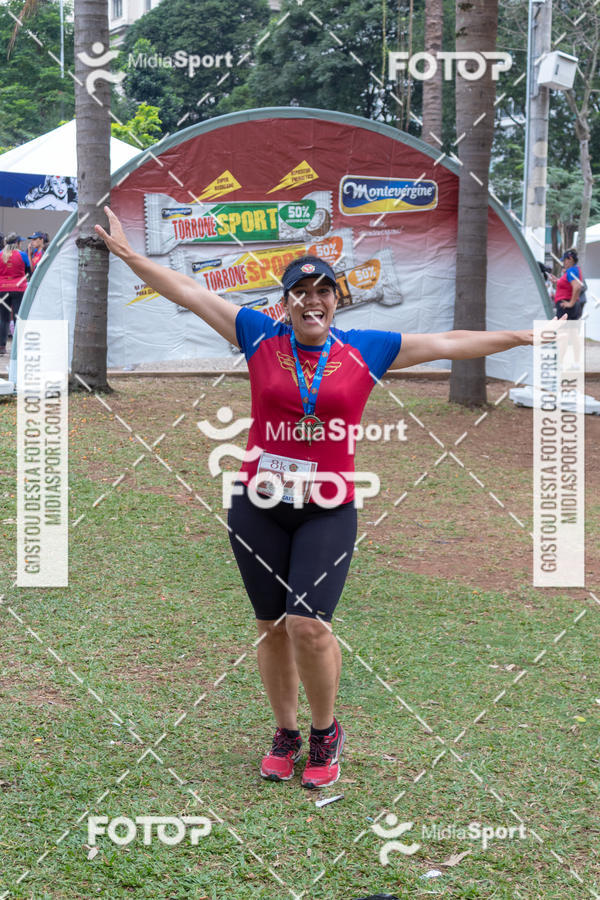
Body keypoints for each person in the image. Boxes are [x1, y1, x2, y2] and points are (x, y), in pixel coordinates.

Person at [96, 206, 534, 790]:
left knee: (310, 626)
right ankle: (285, 731)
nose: (312, 300)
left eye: (323, 291)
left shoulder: (366, 349)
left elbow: (449, 342)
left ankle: (326, 731)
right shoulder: (258, 335)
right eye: (299, 292)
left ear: (336, 300)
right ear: (285, 304)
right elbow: (192, 292)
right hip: (257, 505)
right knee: (271, 624)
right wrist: (130, 257)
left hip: (328, 506)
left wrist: (526, 335)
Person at [0, 232, 29, 354]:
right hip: (18, 289)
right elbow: (28, 271)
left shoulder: (0, 254)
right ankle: (18, 348)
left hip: (2, 289)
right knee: (18, 317)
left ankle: (1, 347)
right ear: (17, 243)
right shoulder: (22, 254)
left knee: (3, 318)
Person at [552, 249, 585, 320]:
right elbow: (570, 284)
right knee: (570, 330)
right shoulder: (575, 269)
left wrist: (570, 303)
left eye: (564, 260)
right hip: (570, 307)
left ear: (570, 259)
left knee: (562, 330)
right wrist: (558, 281)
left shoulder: (571, 270)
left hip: (566, 307)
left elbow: (577, 286)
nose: (563, 263)